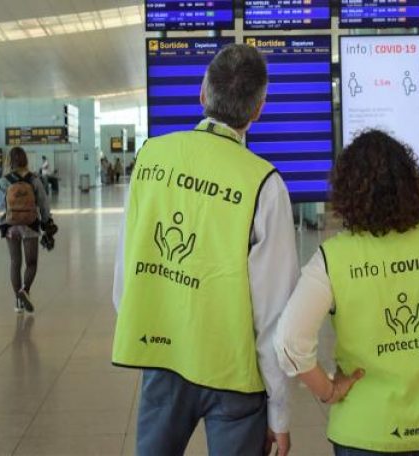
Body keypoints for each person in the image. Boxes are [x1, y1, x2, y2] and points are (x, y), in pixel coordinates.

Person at [112, 44, 297, 456]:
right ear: (257, 111)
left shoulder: (150, 158)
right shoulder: (265, 185)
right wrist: (279, 415)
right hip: (234, 375)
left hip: (163, 357)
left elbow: (127, 273)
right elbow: (273, 316)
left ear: (202, 93)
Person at [274, 131, 419, 456]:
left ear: (346, 191)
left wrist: (329, 392)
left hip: (365, 431)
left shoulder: (334, 258)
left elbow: (290, 342)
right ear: (410, 184)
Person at [0, 147, 52, 314]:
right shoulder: (34, 180)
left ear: (9, 161)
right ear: (25, 160)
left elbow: (0, 205)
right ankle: (25, 290)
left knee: (15, 262)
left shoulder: (3, 182)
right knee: (31, 263)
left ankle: (18, 302)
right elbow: (43, 204)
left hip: (11, 226)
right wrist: (46, 222)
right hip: (30, 225)